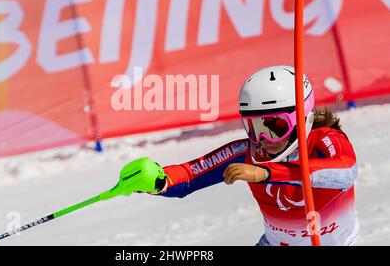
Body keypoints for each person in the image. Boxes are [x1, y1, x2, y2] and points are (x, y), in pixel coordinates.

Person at [148, 65, 359, 246]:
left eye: (276, 126)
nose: (264, 138)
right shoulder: (250, 153)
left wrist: (266, 173)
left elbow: (347, 171)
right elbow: (189, 175)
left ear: (303, 118)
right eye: (254, 127)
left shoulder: (324, 140)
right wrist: (157, 181)